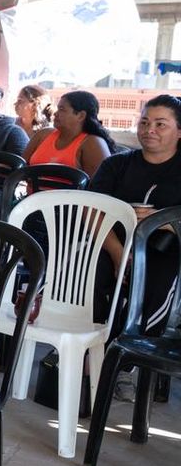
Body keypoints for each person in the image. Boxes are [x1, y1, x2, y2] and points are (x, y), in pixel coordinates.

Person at [88, 95, 181, 336]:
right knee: (88, 270)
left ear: (179, 132)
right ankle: (88, 345)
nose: (150, 130)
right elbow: (91, 212)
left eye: (160, 124)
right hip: (114, 243)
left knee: (159, 281)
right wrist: (118, 253)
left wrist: (160, 220)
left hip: (166, 251)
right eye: (144, 122)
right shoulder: (116, 164)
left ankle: (133, 354)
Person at [23, 90, 113, 177]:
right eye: (58, 109)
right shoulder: (43, 135)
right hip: (33, 193)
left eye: (62, 109)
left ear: (81, 116)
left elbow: (100, 186)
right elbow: (19, 167)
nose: (55, 114)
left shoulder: (93, 143)